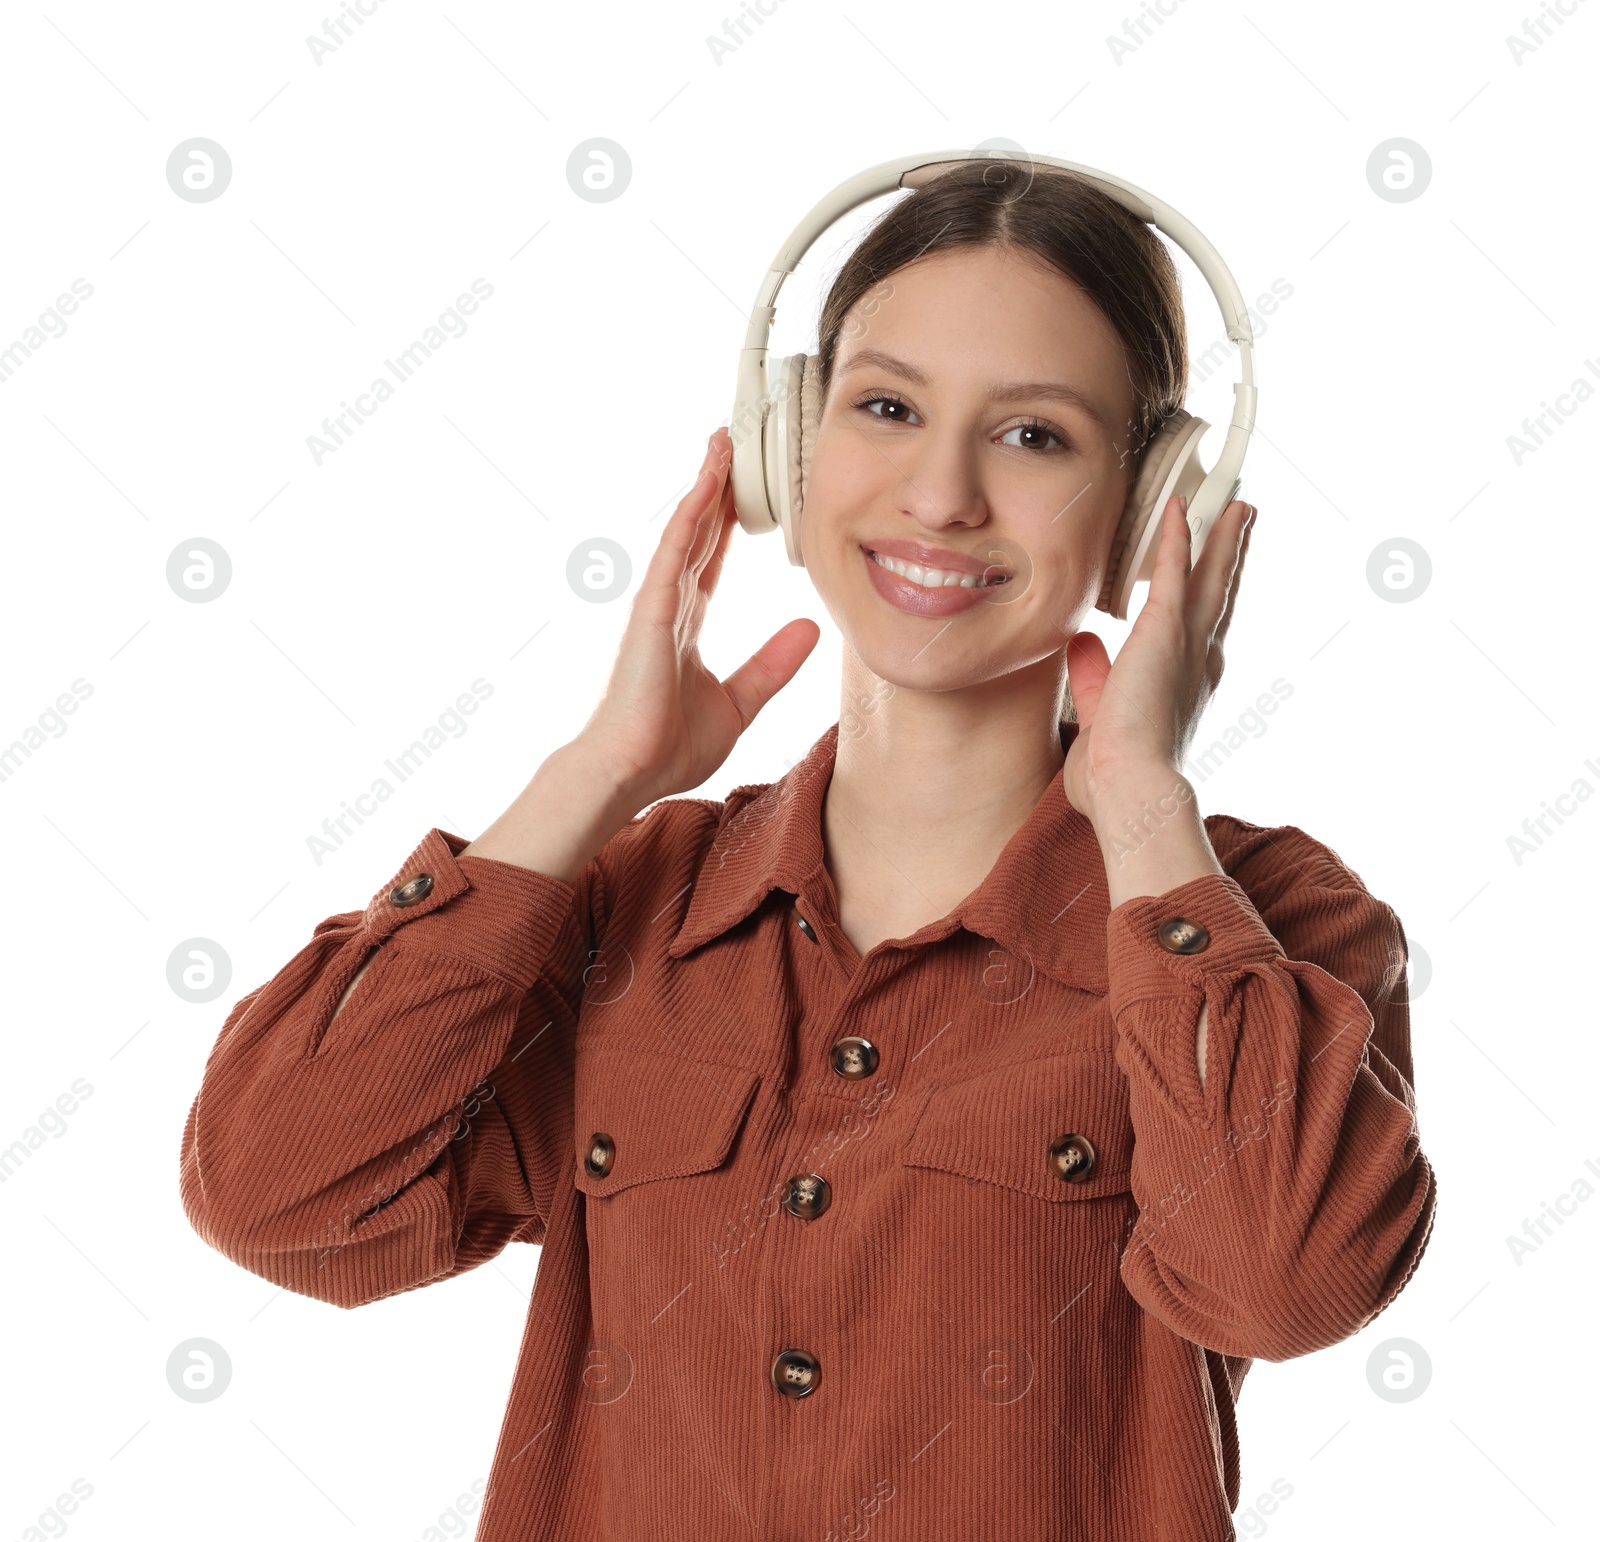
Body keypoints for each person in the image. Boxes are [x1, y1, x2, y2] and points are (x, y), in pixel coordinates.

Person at [179, 160, 1436, 1542]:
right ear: (789, 446)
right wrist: (593, 777)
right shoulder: (623, 906)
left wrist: (1142, 802)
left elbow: (1285, 1280)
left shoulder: (1275, 922)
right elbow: (276, 1195)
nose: (941, 493)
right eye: (886, 408)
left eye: (1035, 437)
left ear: (1154, 513)